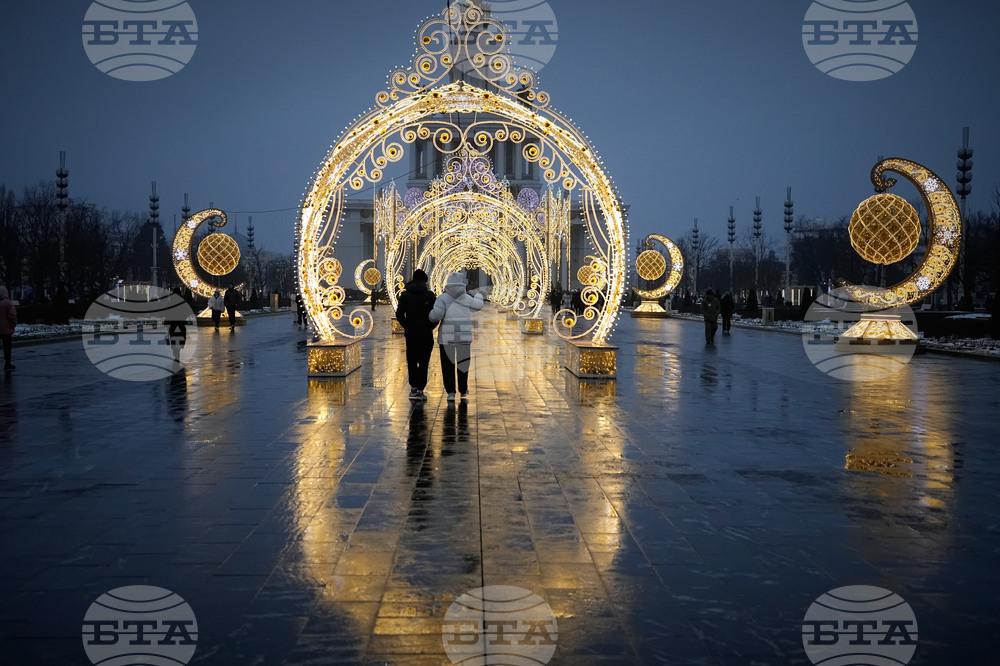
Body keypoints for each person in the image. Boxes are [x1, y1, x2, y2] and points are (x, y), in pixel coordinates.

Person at [429, 271, 484, 401]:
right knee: (463, 363)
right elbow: (478, 306)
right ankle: (463, 389)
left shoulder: (442, 298)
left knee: (447, 364)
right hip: (463, 336)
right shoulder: (465, 298)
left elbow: (435, 316)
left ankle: (450, 392)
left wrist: (431, 313)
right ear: (461, 284)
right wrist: (478, 296)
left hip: (446, 336)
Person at [395, 269, 438, 401]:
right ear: (425, 280)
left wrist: (407, 325)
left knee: (412, 360)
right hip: (426, 334)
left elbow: (399, 314)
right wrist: (430, 327)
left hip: (411, 333)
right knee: (424, 362)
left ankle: (413, 388)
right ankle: (420, 389)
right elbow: (436, 316)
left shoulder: (405, 295)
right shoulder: (430, 296)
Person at [0, 286, 17, 370]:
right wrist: (13, 325)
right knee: (7, 347)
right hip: (5, 329)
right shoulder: (8, 303)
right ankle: (7, 363)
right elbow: (12, 316)